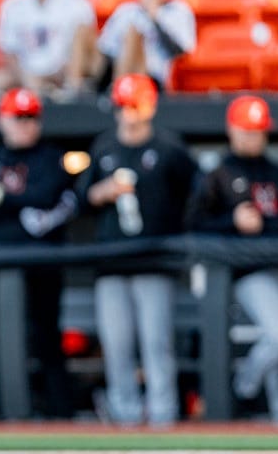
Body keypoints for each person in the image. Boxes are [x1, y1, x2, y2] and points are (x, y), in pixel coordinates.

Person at [77, 73, 199, 427]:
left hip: (155, 260)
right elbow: (82, 197)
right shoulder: (104, 147)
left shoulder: (169, 148)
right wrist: (100, 193)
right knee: (116, 344)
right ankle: (124, 414)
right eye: (123, 106)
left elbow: (196, 195)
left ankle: (162, 414)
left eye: (135, 105)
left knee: (156, 342)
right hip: (112, 261)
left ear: (149, 107)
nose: (129, 113)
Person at [0, 87, 79, 418]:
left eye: (31, 118)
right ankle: (1, 413)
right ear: (2, 120)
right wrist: (14, 202)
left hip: (42, 263)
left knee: (46, 337)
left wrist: (1, 198)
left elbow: (46, 195)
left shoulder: (51, 157)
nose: (25, 125)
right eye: (18, 118)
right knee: (1, 339)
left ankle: (59, 414)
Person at [185, 95, 278, 425]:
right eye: (247, 130)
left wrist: (264, 223)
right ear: (232, 129)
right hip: (247, 271)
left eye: (258, 130)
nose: (253, 137)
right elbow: (195, 223)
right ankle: (243, 385)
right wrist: (233, 221)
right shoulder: (217, 173)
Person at [67, 0, 196, 94]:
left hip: (151, 74)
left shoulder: (177, 11)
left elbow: (180, 51)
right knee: (82, 30)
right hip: (113, 67)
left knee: (133, 34)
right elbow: (105, 47)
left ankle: (119, 91)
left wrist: (154, 17)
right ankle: (74, 90)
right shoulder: (125, 10)